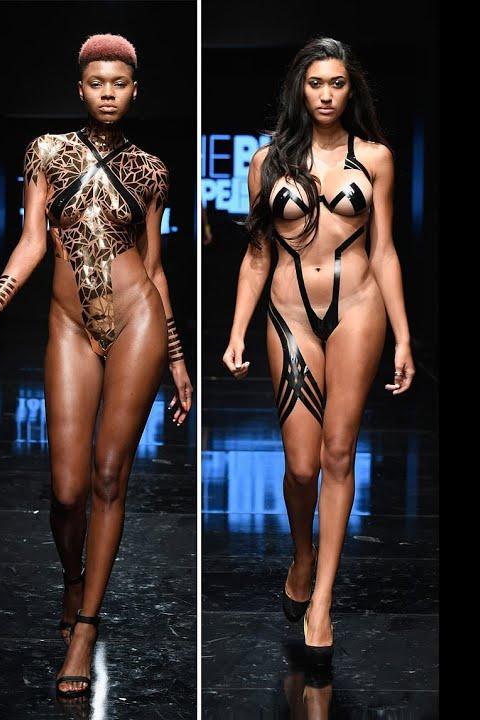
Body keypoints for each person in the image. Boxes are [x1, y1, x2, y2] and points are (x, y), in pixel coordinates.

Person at [0, 33, 192, 698]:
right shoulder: (47, 152)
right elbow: (33, 242)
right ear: (80, 89)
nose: (108, 93)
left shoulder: (152, 171)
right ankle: (73, 578)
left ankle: (87, 626)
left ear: (135, 90)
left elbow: (154, 269)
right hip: (68, 325)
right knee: (66, 491)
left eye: (120, 83)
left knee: (110, 477)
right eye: (97, 83)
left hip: (138, 321)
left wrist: (177, 358)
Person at [222, 37, 413, 652]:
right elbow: (257, 254)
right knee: (301, 466)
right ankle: (302, 556)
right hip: (289, 316)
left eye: (337, 83)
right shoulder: (267, 161)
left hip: (359, 308)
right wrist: (236, 329)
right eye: (315, 83)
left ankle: (323, 601)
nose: (326, 95)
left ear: (350, 89)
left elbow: (384, 251)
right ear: (299, 90)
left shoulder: (376, 159)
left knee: (338, 452)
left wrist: (404, 336)